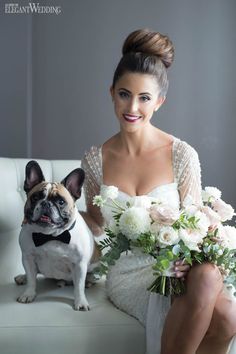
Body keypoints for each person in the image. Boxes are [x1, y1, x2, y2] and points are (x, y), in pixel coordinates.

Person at [80, 29, 236, 354]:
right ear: (111, 93)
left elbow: (197, 224)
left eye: (144, 97)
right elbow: (96, 226)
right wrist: (63, 229)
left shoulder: (182, 154)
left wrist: (189, 256)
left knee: (220, 299)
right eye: (124, 94)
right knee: (224, 316)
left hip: (181, 265)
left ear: (160, 101)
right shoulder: (95, 160)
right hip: (129, 273)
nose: (132, 106)